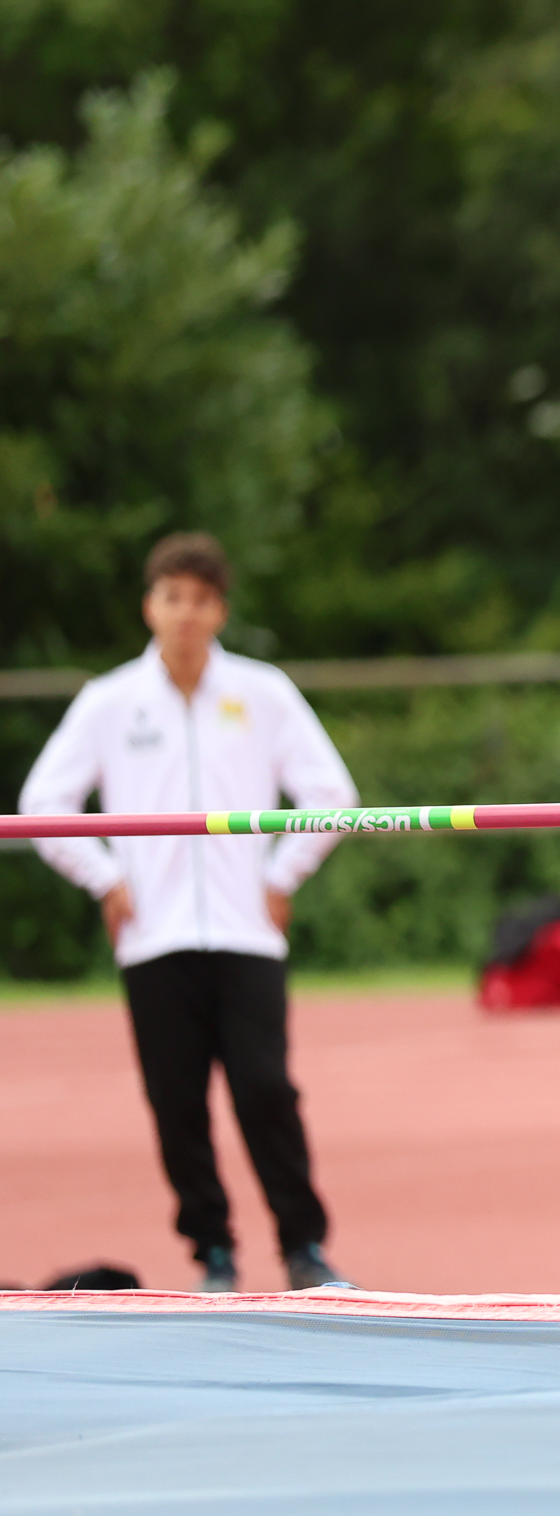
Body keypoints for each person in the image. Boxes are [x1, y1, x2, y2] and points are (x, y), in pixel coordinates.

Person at [19, 533, 358, 1294]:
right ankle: (213, 1252)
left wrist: (282, 874)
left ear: (220, 611)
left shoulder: (263, 693)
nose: (186, 614)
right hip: (155, 935)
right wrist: (106, 878)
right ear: (151, 606)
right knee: (177, 1102)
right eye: (172, 598)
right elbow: (43, 803)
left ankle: (304, 1246)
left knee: (265, 1089)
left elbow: (332, 795)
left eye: (201, 600)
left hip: (245, 932)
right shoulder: (110, 702)